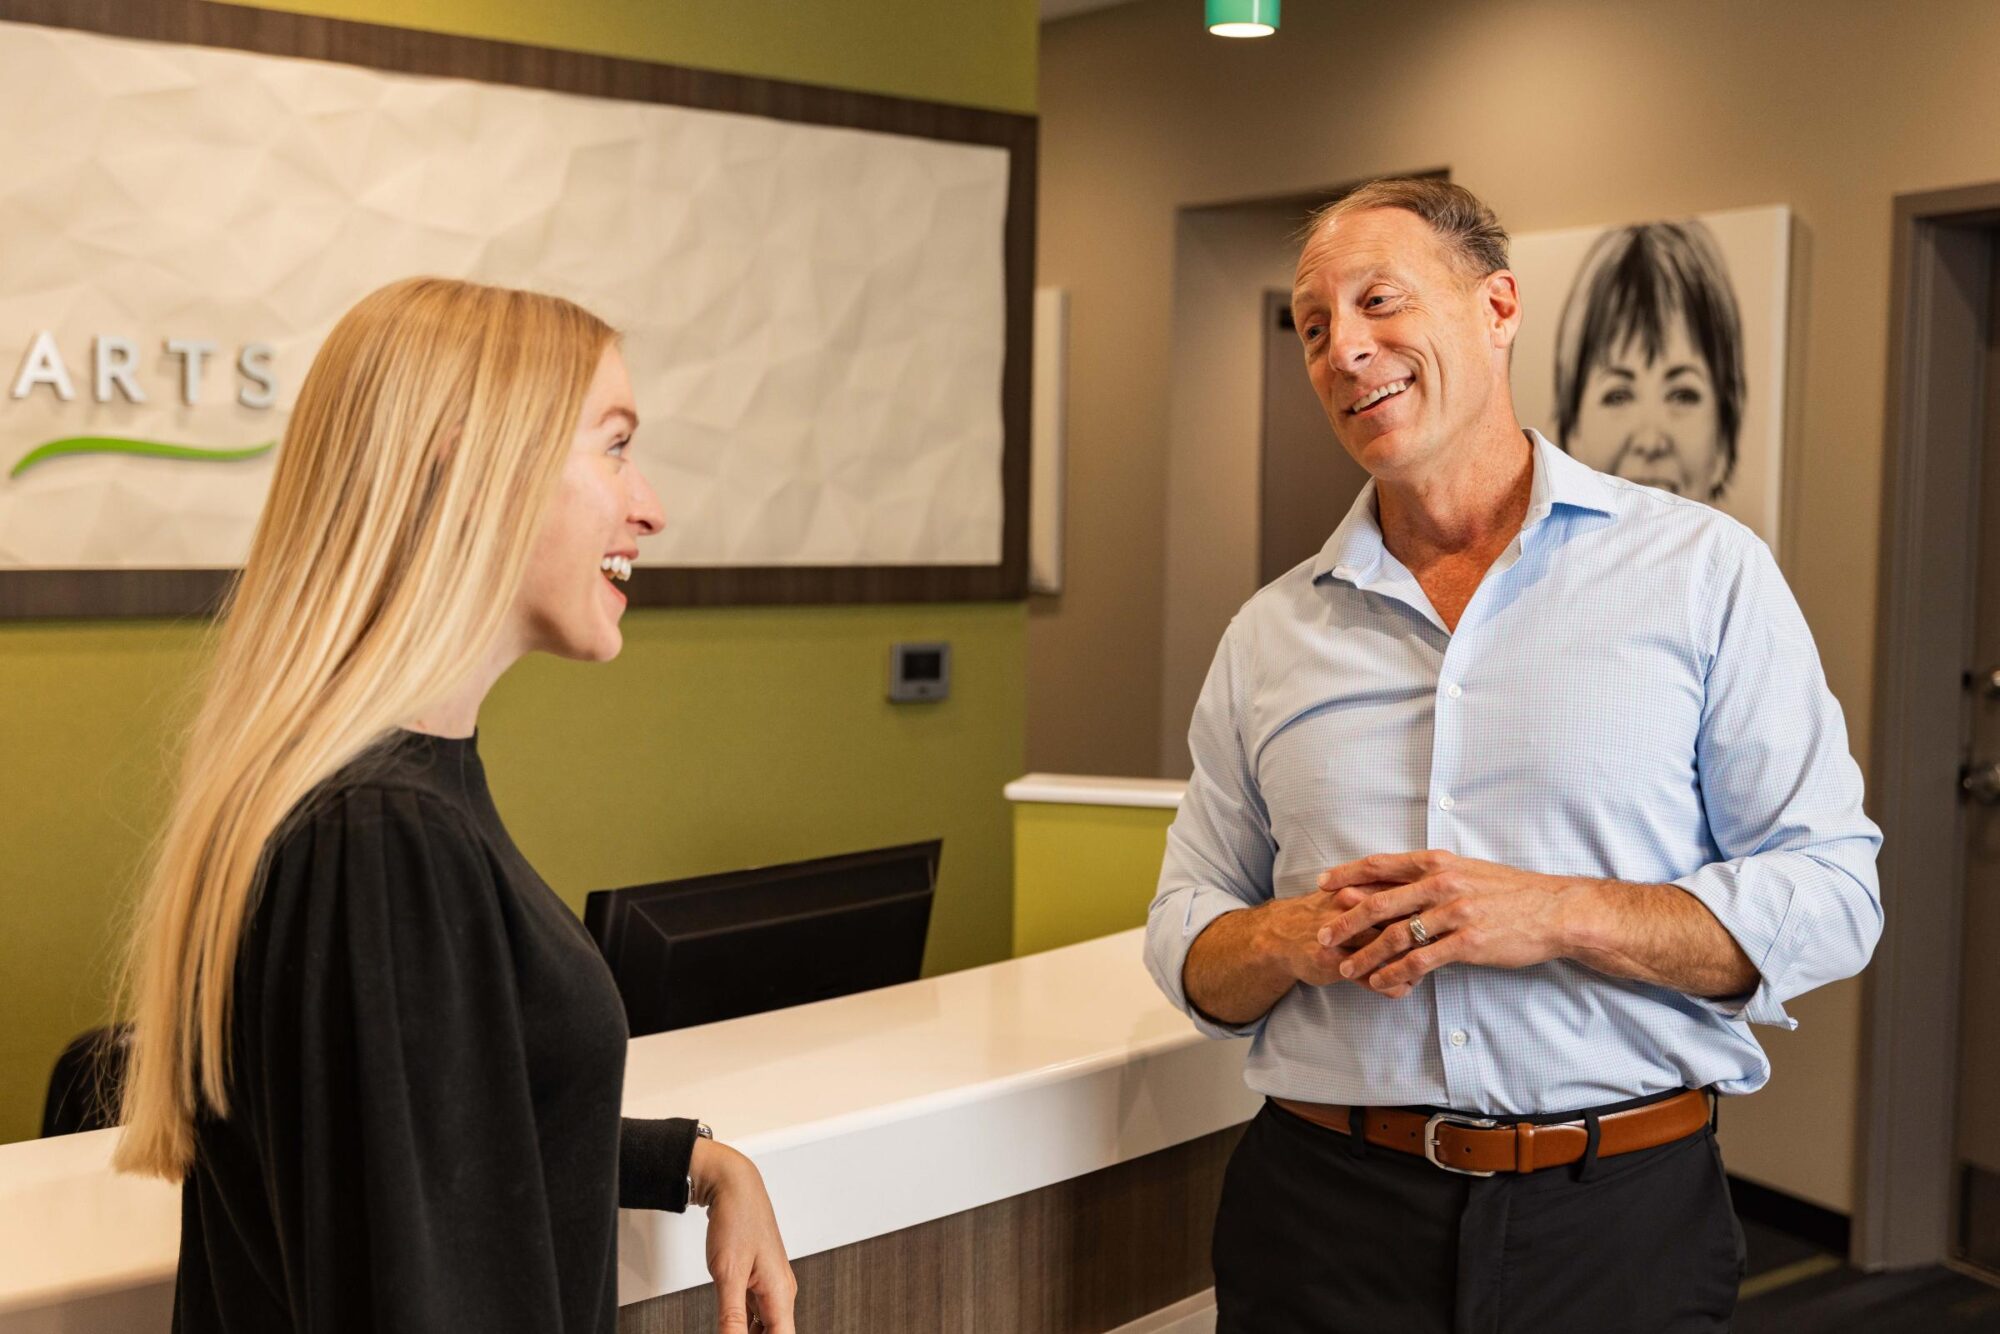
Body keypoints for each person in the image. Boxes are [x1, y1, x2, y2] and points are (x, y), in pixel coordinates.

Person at [1144, 179, 1881, 1334]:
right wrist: (1285, 937)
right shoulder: (1268, 635)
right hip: (1319, 1221)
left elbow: (1833, 892)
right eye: (1311, 325)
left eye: (1378, 301)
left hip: (1616, 1224)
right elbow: (1186, 930)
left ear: (1495, 307)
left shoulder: (1699, 574)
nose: (1344, 349)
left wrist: (1556, 912)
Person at [113, 277, 798, 1334]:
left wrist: (694, 1163)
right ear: (469, 465)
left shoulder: (387, 803)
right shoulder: (382, 841)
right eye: (613, 445)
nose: (648, 504)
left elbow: (427, 1136)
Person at [1552, 219, 1746, 503]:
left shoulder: (1740, 549)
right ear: (1572, 435)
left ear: (1724, 439)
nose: (1650, 442)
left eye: (1682, 395)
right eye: (1618, 396)